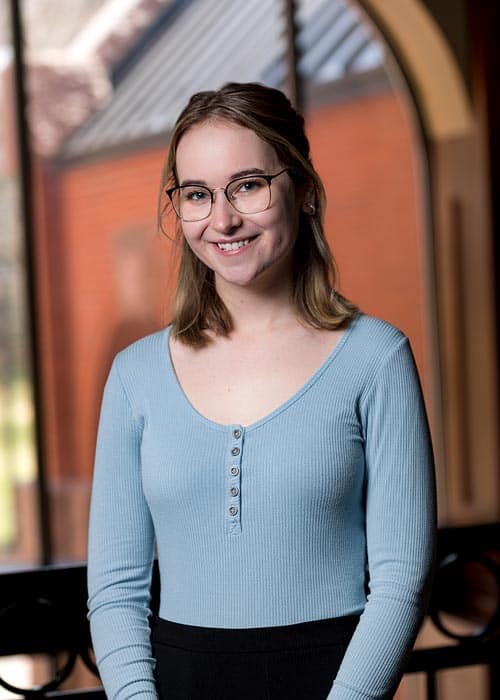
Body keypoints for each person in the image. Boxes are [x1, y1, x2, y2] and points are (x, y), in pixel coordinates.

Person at [87, 82, 437, 700]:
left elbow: (403, 579)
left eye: (247, 184)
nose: (222, 219)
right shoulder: (135, 376)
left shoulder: (375, 359)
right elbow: (114, 589)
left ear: (301, 188)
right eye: (197, 194)